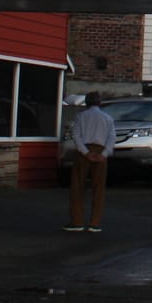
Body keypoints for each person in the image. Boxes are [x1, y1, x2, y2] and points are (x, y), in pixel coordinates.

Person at [66, 92, 114, 233]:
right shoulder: (108, 118)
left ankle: (77, 221)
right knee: (98, 188)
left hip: (84, 152)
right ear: (99, 103)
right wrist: (104, 154)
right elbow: (111, 139)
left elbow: (76, 136)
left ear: (86, 103)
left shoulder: (81, 116)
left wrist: (86, 152)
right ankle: (95, 222)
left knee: (77, 187)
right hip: (100, 151)